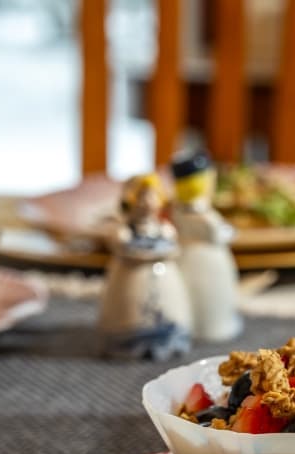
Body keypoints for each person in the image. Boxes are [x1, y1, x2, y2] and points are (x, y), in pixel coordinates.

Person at [97, 173, 192, 360]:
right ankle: (125, 343)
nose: (147, 202)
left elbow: (173, 247)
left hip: (163, 278)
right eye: (141, 196)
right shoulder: (123, 232)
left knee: (167, 312)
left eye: (152, 196)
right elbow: (123, 246)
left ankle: (170, 341)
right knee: (129, 316)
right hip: (130, 278)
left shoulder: (165, 229)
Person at [170, 150, 243, 341]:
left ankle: (203, 326)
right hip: (208, 260)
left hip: (185, 255)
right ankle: (213, 327)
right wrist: (230, 231)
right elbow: (217, 232)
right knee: (209, 294)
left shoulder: (178, 209)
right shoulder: (201, 213)